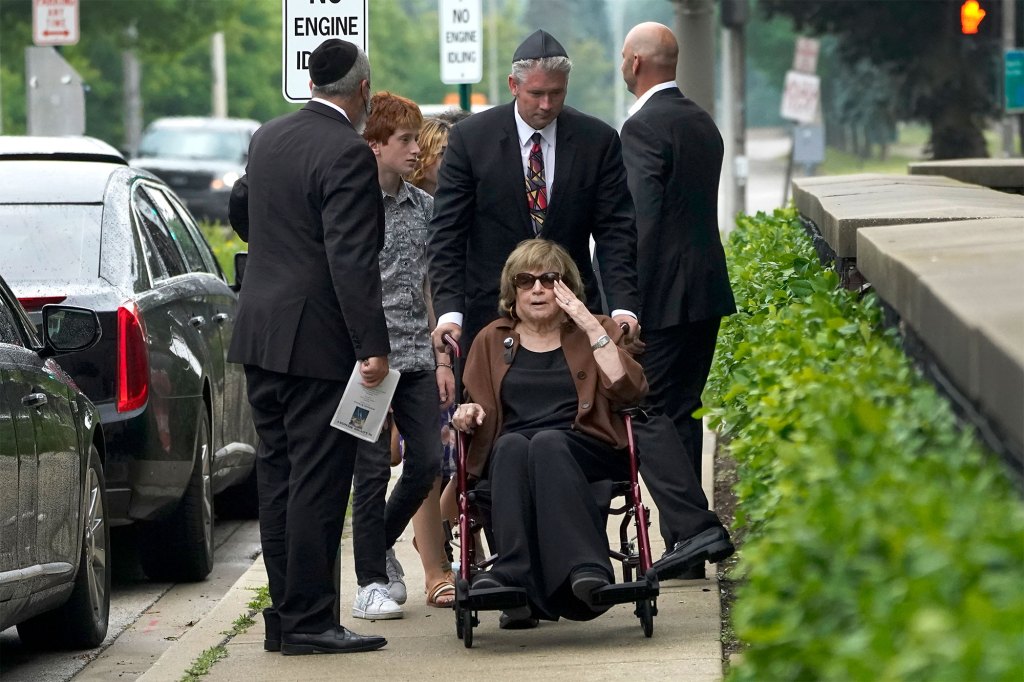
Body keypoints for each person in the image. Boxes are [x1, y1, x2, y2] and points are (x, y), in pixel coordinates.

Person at [226, 39, 389, 655]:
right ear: (363, 91)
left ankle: (287, 615)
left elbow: (245, 207)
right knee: (319, 483)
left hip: (261, 332)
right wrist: (371, 344)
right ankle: (311, 620)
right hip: (316, 340)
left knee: (279, 479)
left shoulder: (268, 137)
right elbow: (350, 259)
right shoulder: (346, 151)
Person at [451, 239, 647, 628]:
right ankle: (512, 573)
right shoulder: (491, 338)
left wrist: (591, 324)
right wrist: (466, 412)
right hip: (513, 455)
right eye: (526, 280)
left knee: (547, 442)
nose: (537, 289)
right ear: (513, 290)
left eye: (549, 279)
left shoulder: (595, 329)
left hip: (587, 445)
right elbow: (475, 402)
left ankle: (586, 568)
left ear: (566, 286)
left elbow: (630, 390)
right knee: (512, 445)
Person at [427, 29, 640, 357]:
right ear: (514, 86)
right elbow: (447, 234)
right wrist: (450, 313)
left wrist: (623, 308)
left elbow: (616, 232)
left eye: (556, 93)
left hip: (574, 316)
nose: (546, 105)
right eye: (536, 93)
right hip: (490, 316)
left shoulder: (596, 141)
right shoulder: (471, 140)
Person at [619, 22, 737, 580]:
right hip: (706, 288)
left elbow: (642, 220)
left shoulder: (643, 127)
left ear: (636, 63)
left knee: (643, 407)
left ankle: (692, 527)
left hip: (662, 296)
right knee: (683, 412)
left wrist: (628, 305)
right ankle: (685, 549)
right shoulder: (701, 122)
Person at [350, 93, 457, 620]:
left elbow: (434, 287)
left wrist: (441, 358)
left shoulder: (426, 209)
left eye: (418, 139)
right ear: (375, 146)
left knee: (427, 463)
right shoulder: (350, 205)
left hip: (416, 355)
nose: (417, 149)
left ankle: (378, 546)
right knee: (369, 470)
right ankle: (370, 580)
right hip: (366, 362)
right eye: (406, 140)